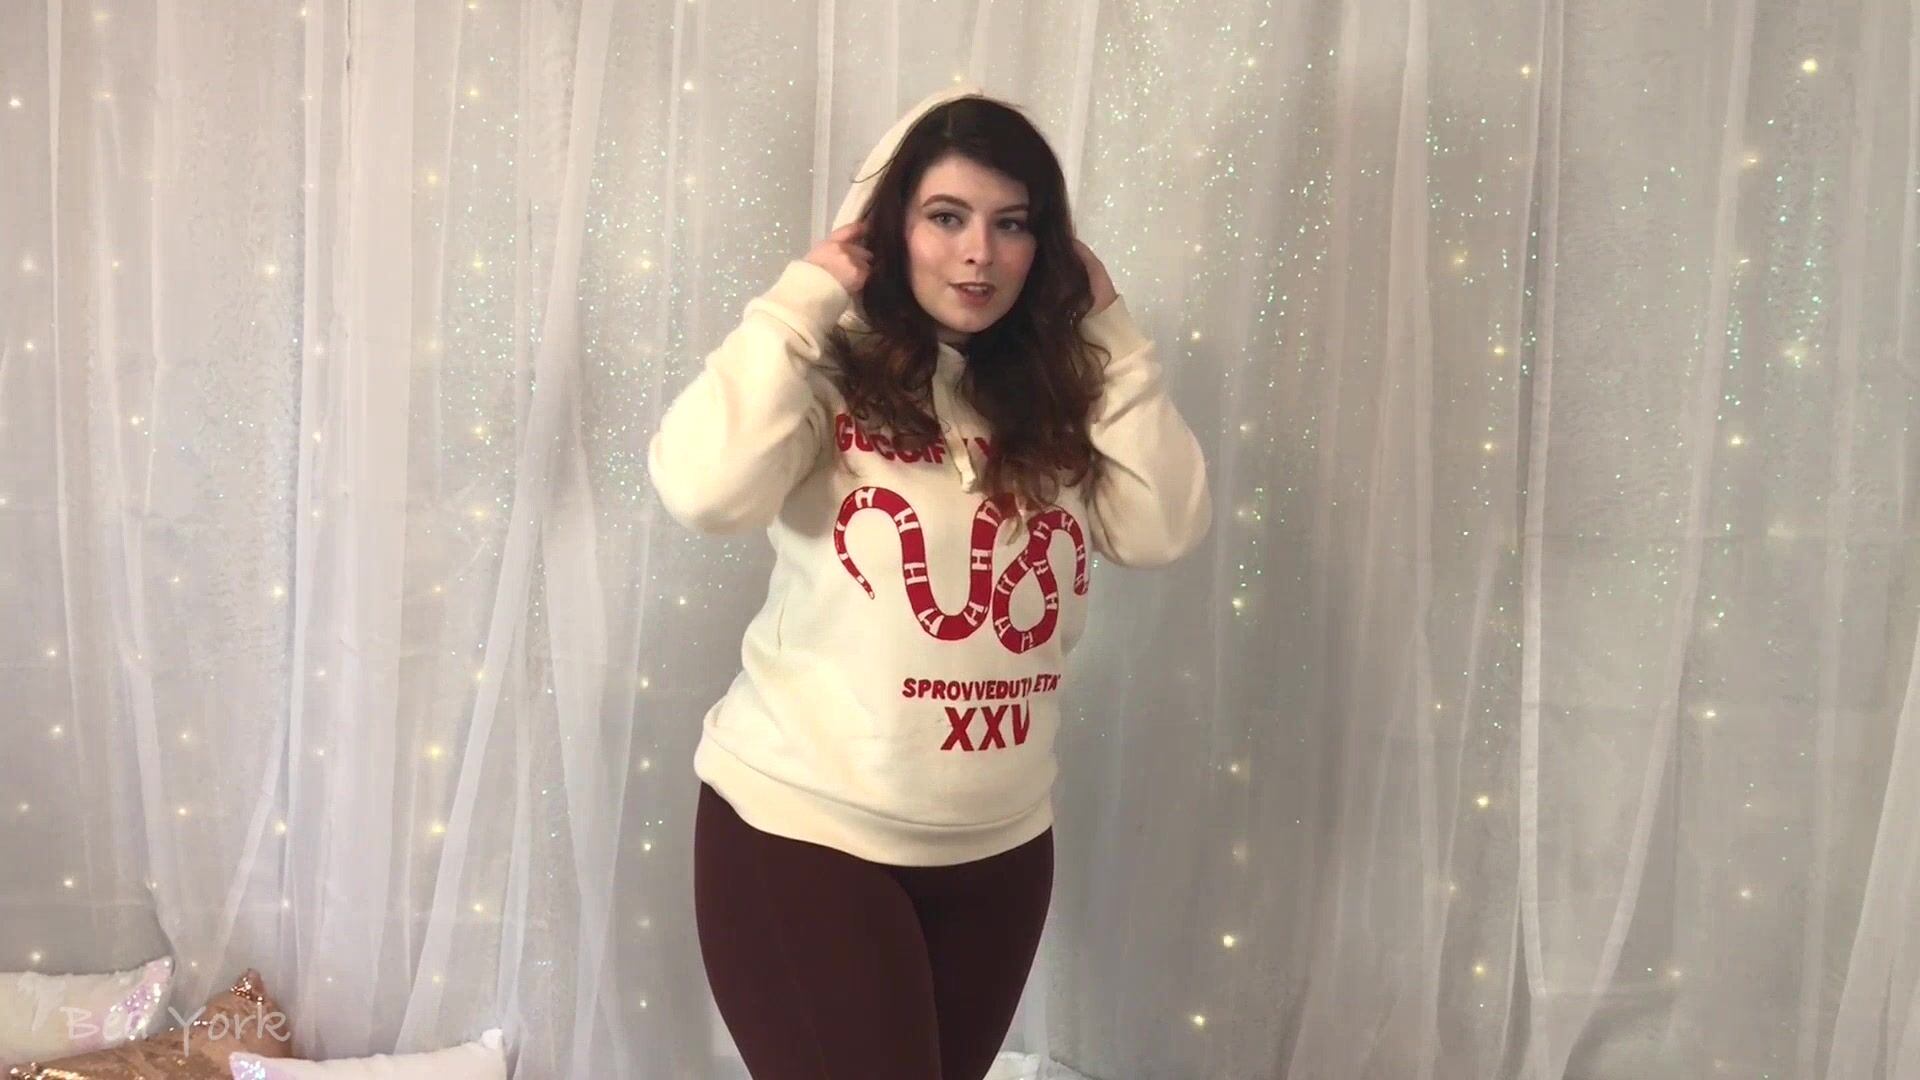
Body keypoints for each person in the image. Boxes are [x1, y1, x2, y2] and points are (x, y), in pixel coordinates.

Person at [647, 84, 1211, 1080]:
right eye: (946, 217)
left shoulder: (1059, 393)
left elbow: (1161, 528)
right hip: (806, 834)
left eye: (1012, 224)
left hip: (1001, 847)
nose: (978, 253)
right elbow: (703, 490)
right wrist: (804, 296)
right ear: (887, 229)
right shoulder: (829, 375)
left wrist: (1114, 336)